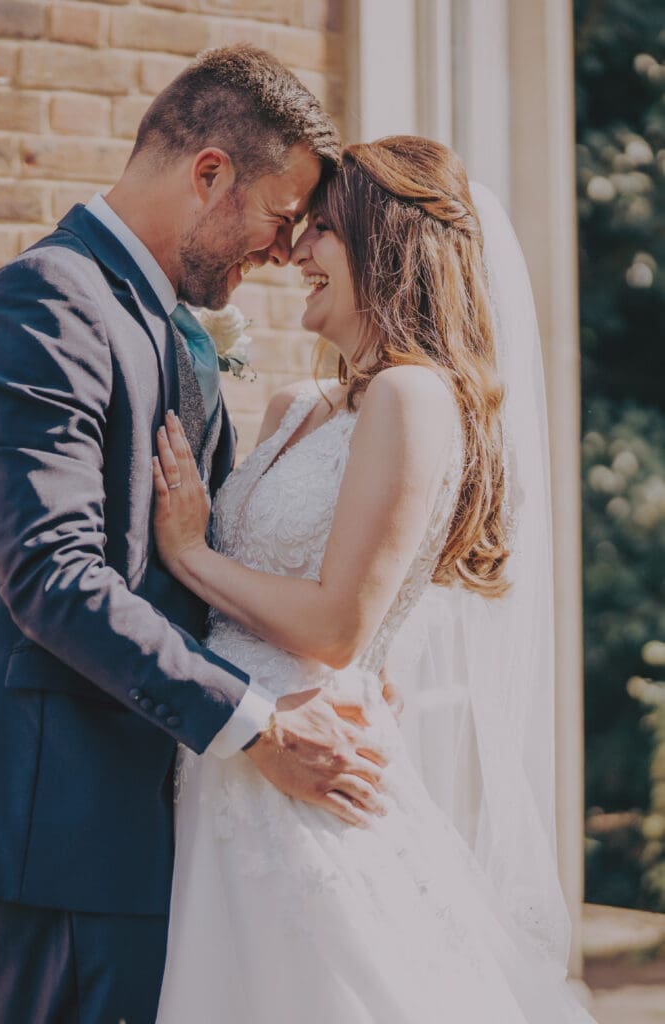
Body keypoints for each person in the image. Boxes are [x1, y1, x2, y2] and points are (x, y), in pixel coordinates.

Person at [0, 46, 390, 1024]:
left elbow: (189, 564)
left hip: (118, 806)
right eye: (280, 218)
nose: (284, 251)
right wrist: (256, 725)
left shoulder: (162, 322)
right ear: (209, 173)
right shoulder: (45, 303)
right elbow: (53, 575)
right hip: (58, 808)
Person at [151, 136, 597, 1023]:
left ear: (385, 247)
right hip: (228, 756)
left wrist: (193, 556)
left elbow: (335, 628)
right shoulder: (294, 408)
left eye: (322, 233)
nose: (296, 255)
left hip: (309, 773)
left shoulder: (413, 397)